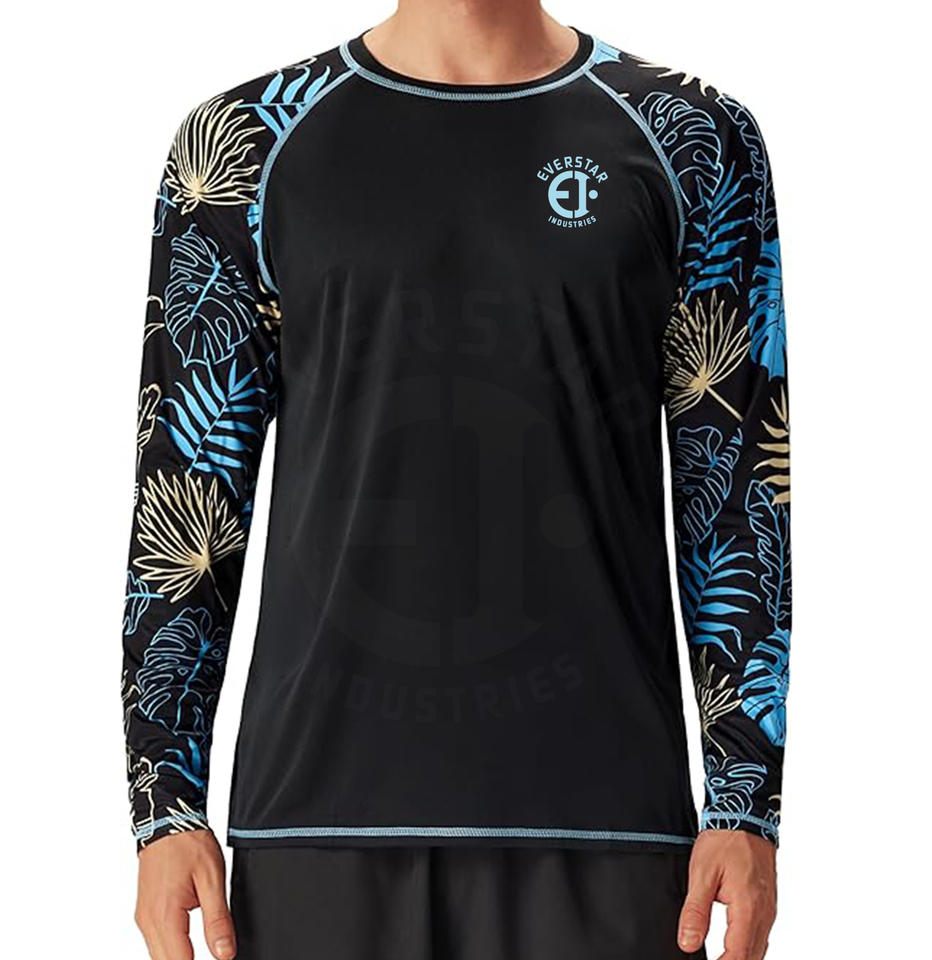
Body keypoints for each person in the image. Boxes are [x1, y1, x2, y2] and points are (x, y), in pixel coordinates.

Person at [122, 2, 791, 958]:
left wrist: (746, 803)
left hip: (610, 829)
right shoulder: (246, 145)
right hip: (314, 829)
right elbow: (188, 496)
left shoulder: (692, 136)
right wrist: (164, 807)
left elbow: (735, 492)